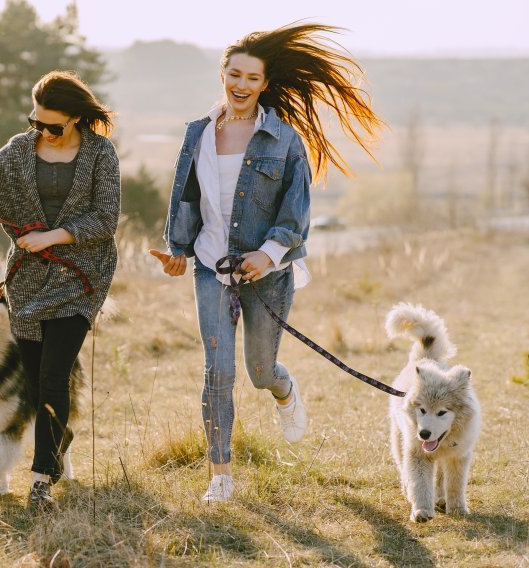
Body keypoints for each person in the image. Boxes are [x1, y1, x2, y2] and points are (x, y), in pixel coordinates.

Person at [150, 24, 383, 504]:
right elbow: (187, 197)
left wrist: (268, 253)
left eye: (251, 78)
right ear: (223, 74)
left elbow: (296, 214)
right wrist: (177, 250)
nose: (240, 85)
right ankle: (221, 476)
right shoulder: (197, 134)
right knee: (217, 371)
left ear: (264, 85)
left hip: (267, 275)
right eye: (234, 74)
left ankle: (283, 388)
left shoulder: (283, 139)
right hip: (212, 268)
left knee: (258, 370)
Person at [0, 71, 120, 510]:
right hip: (27, 282)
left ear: (76, 118)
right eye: (36, 121)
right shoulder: (18, 150)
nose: (42, 131)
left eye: (53, 126)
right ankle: (59, 437)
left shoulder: (101, 154)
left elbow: (105, 218)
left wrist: (53, 236)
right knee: (38, 387)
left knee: (53, 375)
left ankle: (42, 479)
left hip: (82, 277)